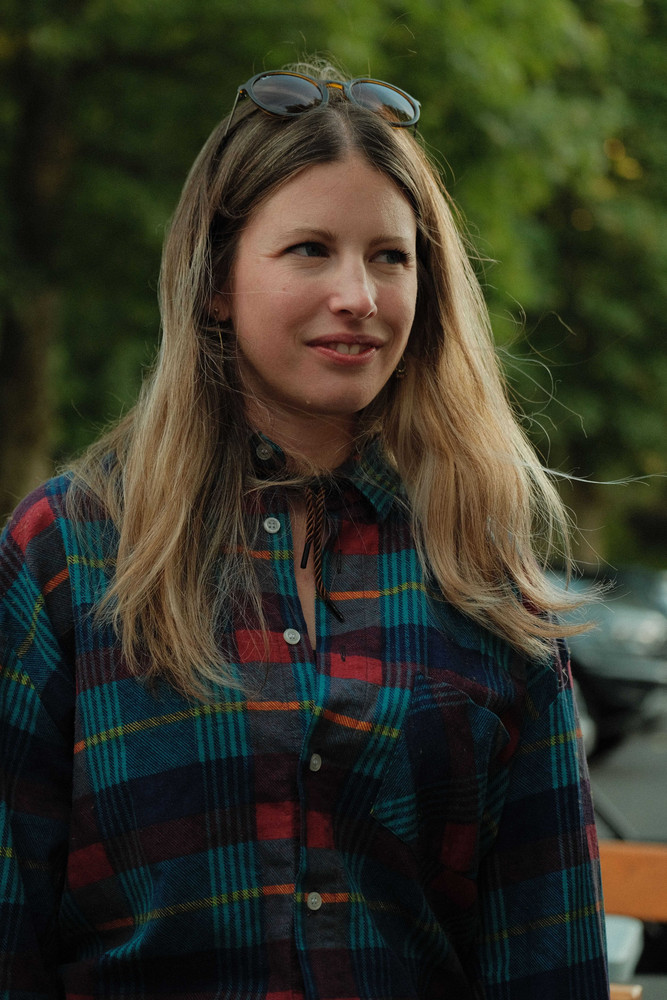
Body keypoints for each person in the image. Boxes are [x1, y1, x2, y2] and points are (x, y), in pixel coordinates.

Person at [0, 61, 609, 999]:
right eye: (310, 250)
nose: (358, 295)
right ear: (216, 280)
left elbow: (546, 945)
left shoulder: (477, 569)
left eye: (390, 257)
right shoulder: (71, 548)